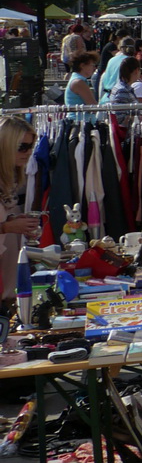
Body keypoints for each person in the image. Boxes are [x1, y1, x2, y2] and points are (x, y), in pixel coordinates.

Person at [1, 116, 39, 316]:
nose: (28, 152)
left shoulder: (11, 177)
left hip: (7, 284)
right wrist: (7, 227)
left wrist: (13, 222)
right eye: (22, 147)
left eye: (31, 146)